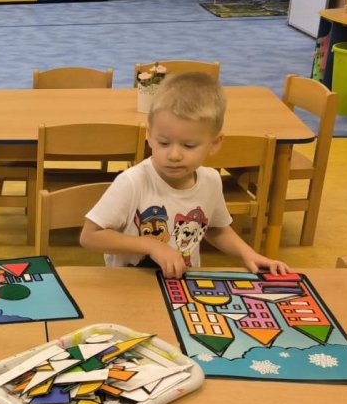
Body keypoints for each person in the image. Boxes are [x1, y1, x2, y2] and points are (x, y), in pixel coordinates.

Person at [79, 72, 289, 277]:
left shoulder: (211, 181)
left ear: (214, 143)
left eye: (189, 146)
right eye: (164, 143)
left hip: (182, 284)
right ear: (149, 135)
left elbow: (216, 229)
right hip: (131, 284)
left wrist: (248, 254)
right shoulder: (132, 182)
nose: (174, 155)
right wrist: (151, 245)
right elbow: (89, 236)